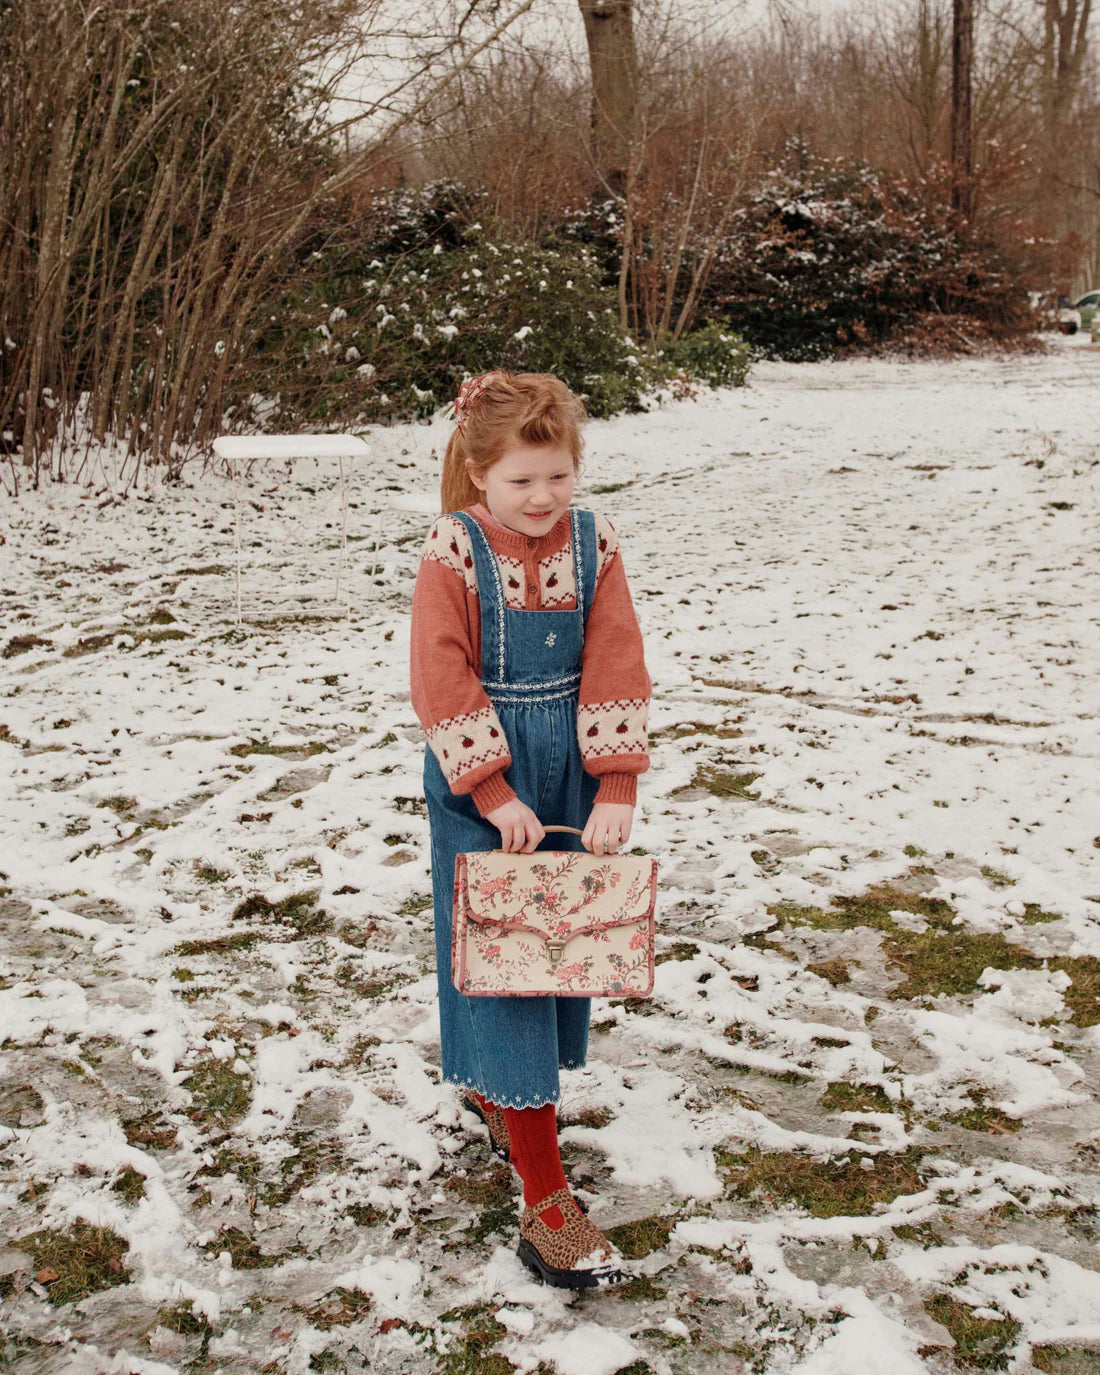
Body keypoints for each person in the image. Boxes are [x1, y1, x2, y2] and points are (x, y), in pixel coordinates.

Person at [409, 370, 651, 1289]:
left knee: (557, 956)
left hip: (570, 774)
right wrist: (493, 790)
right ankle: (546, 1200)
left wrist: (615, 783)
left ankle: (505, 1098)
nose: (543, 497)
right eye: (522, 481)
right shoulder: (456, 549)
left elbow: (614, 651)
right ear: (478, 477)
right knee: (503, 964)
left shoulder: (596, 543)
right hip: (489, 783)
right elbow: (441, 675)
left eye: (558, 476)